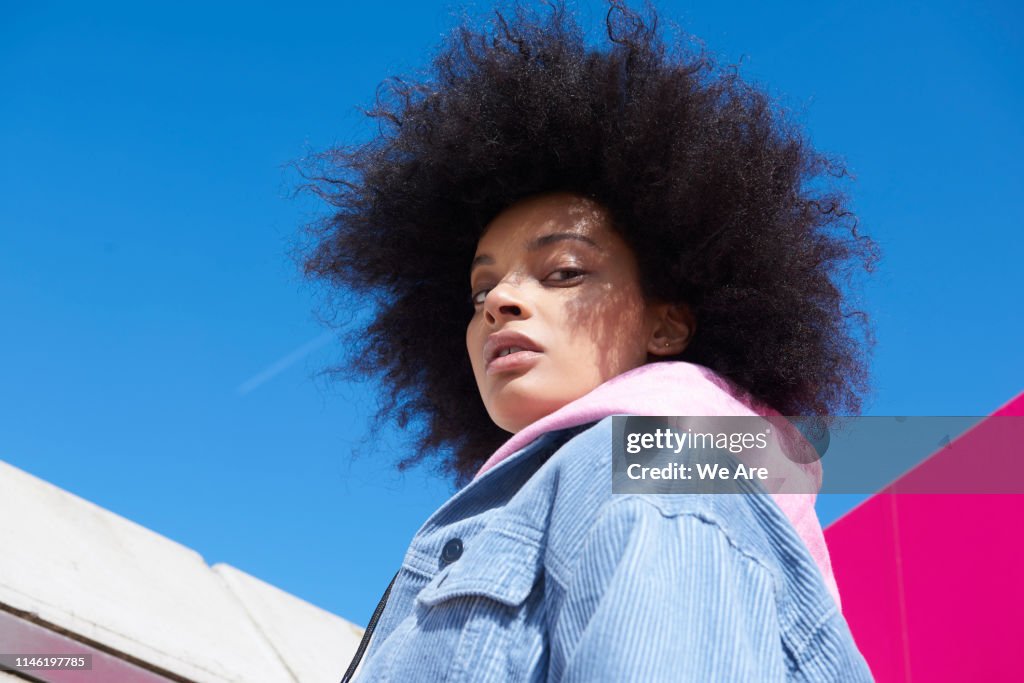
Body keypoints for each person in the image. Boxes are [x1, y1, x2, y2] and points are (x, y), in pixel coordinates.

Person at [301, 1, 877, 680]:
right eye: (480, 293)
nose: (502, 304)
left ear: (666, 323)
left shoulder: (653, 465)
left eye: (564, 271)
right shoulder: (558, 494)